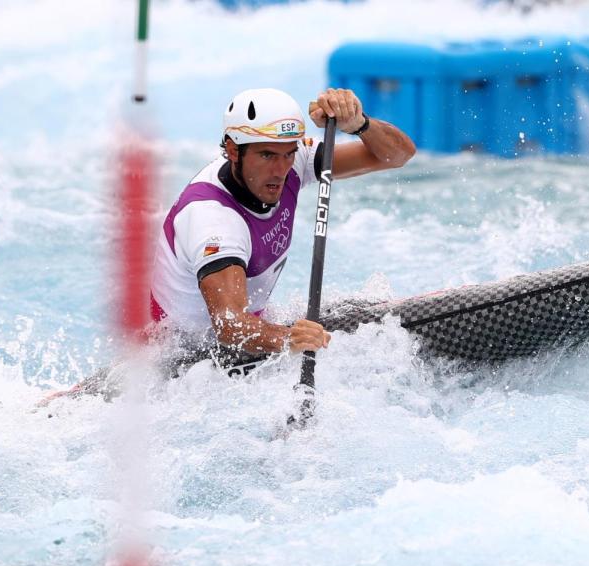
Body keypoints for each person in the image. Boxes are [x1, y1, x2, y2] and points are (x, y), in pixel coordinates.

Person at [149, 87, 416, 370]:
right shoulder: (212, 219)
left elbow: (398, 156)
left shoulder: (291, 160)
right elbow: (229, 325)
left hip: (251, 333)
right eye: (266, 156)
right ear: (232, 150)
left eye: (288, 154)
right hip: (183, 361)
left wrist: (360, 125)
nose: (280, 170)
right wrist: (290, 339)